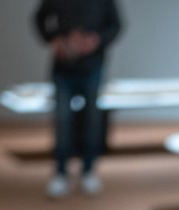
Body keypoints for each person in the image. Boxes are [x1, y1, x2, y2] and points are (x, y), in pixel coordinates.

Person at [34, 0, 123, 199]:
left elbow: (116, 25)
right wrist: (54, 40)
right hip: (63, 67)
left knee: (92, 119)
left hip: (92, 66)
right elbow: (39, 18)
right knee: (62, 120)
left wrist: (96, 39)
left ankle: (88, 171)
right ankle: (60, 173)